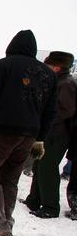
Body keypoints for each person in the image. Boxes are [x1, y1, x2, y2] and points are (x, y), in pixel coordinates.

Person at [0, 30, 58, 236]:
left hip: (3, 131)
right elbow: (50, 110)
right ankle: (5, 222)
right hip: (29, 135)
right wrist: (40, 138)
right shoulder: (48, 74)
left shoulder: (4, 65)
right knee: (9, 178)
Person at [22, 51, 76, 218]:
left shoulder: (66, 84)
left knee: (47, 168)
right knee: (39, 165)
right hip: (49, 132)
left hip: (57, 134)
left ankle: (50, 207)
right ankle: (34, 200)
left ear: (57, 67)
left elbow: (65, 110)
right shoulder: (58, 81)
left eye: (49, 65)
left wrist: (45, 120)